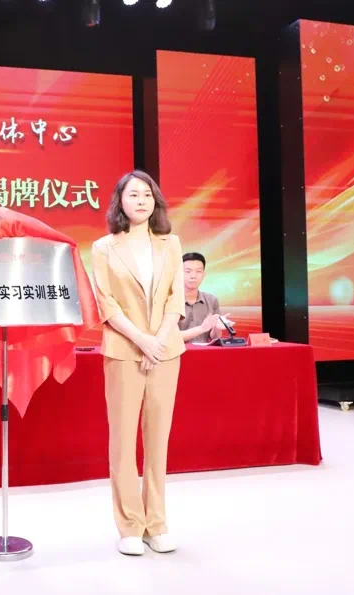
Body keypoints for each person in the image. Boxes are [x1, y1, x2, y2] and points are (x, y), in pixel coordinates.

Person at [90, 170, 185, 557]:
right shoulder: (103, 247)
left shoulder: (171, 243)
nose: (141, 201)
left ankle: (156, 524)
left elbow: (176, 297)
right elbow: (106, 302)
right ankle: (130, 525)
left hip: (166, 351)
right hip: (124, 350)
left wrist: (158, 340)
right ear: (120, 202)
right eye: (133, 195)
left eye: (147, 195)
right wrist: (142, 340)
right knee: (123, 441)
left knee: (158, 441)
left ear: (155, 201)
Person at [177, 252, 232, 343]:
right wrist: (202, 328)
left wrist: (217, 328)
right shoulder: (169, 300)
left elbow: (214, 337)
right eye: (188, 271)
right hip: (178, 351)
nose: (193, 276)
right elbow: (169, 337)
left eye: (198, 271)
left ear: (203, 275)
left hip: (204, 350)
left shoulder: (212, 300)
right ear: (179, 274)